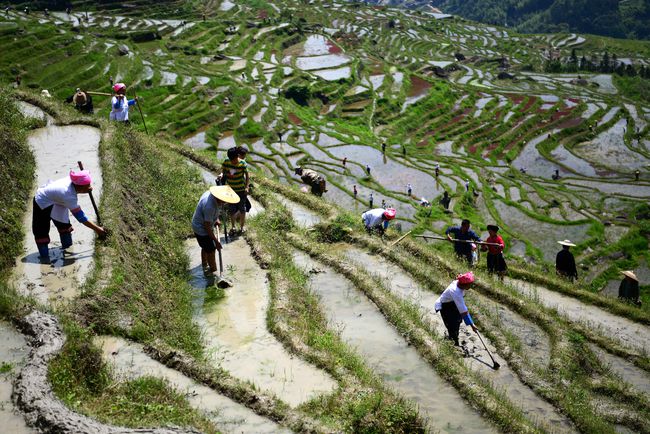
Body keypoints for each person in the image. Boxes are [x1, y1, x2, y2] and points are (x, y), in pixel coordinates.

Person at [32, 170, 106, 261]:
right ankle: (44, 258)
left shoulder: (73, 182)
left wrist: (86, 189)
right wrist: (98, 229)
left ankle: (67, 247)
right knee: (41, 230)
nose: (90, 187)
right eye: (87, 186)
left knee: (63, 223)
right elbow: (81, 218)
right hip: (41, 201)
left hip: (56, 199)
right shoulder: (69, 196)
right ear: (80, 187)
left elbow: (80, 189)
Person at [192, 183, 240, 276]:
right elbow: (207, 226)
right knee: (211, 250)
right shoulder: (210, 206)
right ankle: (213, 272)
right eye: (224, 201)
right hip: (201, 228)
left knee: (205, 247)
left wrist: (216, 219)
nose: (225, 203)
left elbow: (211, 214)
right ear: (219, 198)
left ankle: (204, 264)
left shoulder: (212, 195)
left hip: (202, 224)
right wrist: (216, 242)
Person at [434, 272, 479, 346]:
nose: (471, 286)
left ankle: (454, 337)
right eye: (469, 284)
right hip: (446, 305)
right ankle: (454, 342)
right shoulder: (455, 292)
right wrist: (472, 325)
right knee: (452, 324)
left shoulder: (459, 282)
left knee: (458, 320)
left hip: (453, 303)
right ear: (464, 284)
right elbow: (464, 311)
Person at [223, 146, 250, 235]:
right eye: (231, 160)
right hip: (231, 191)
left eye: (234, 160)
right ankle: (233, 226)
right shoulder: (227, 161)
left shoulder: (243, 163)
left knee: (242, 209)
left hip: (241, 191)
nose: (232, 162)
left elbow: (247, 176)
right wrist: (221, 175)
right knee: (232, 210)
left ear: (237, 156)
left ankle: (242, 227)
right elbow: (223, 171)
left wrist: (246, 187)